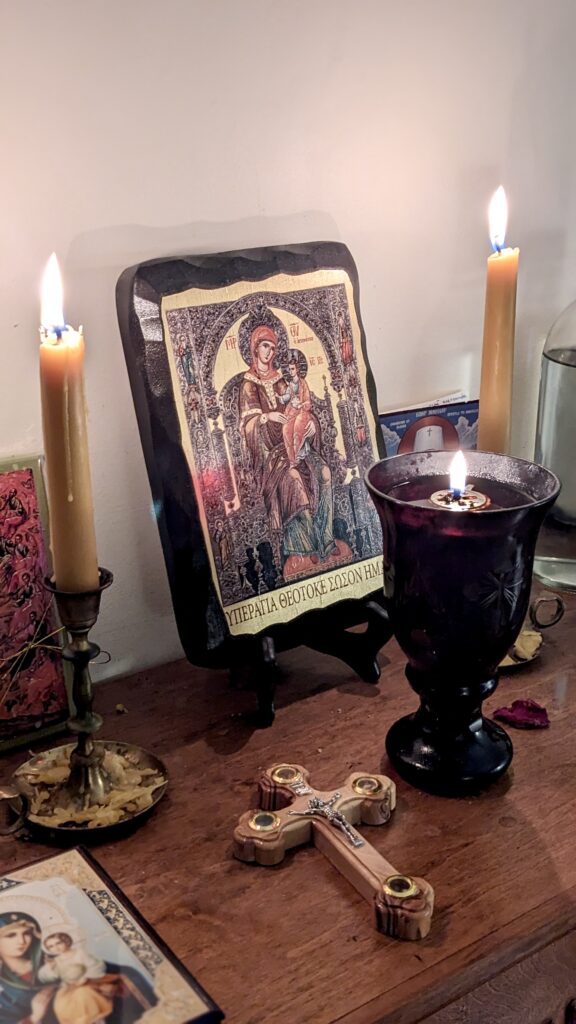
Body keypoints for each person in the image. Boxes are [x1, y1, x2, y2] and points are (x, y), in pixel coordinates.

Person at [239, 324, 349, 577]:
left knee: (324, 473)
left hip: (299, 443)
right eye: (265, 346)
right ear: (255, 348)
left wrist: (312, 426)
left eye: (273, 347)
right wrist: (266, 418)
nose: (269, 352)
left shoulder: (281, 379)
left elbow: (302, 408)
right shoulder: (248, 385)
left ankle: (326, 540)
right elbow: (247, 428)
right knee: (294, 480)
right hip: (272, 455)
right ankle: (305, 546)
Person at [0, 911, 156, 1024]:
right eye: (10, 935)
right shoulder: (4, 988)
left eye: (26, 933)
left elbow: (124, 974)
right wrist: (34, 1017)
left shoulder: (55, 959)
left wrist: (102, 984)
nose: (22, 941)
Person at [39, 932, 111, 1024]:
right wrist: (50, 967)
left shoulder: (79, 953)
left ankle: (96, 1021)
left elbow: (95, 966)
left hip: (88, 981)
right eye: (51, 946)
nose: (56, 947)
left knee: (83, 994)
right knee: (61, 1003)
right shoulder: (56, 961)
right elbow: (47, 976)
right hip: (69, 987)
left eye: (58, 943)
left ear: (66, 941)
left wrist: (85, 978)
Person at [280, 351, 313, 468]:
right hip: (292, 411)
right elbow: (287, 397)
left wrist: (301, 404)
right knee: (286, 428)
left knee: (297, 425)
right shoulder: (289, 385)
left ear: (297, 369)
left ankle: (299, 454)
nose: (290, 371)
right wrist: (280, 398)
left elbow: (308, 401)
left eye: (292, 369)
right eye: (289, 369)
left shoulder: (303, 383)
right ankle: (292, 460)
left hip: (302, 412)